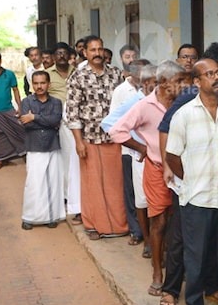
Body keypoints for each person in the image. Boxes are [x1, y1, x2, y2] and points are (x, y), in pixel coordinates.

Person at [157, 43, 218, 305]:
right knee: (195, 257)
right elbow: (172, 157)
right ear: (196, 81)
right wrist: (191, 178)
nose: (217, 77)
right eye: (210, 74)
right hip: (197, 197)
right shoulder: (184, 115)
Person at [108, 61, 186, 281]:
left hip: (181, 170)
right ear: (162, 82)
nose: (182, 86)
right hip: (156, 168)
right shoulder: (144, 106)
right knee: (159, 221)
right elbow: (116, 131)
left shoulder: (181, 103)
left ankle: (175, 267)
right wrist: (141, 147)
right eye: (178, 81)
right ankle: (157, 271)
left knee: (177, 222)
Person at [67, 35, 127, 239]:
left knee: (115, 183)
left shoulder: (116, 74)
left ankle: (119, 225)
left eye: (100, 49)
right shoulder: (78, 76)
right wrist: (78, 142)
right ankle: (94, 225)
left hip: (115, 138)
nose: (97, 53)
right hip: (90, 138)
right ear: (85, 52)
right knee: (93, 183)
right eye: (92, 50)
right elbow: (72, 112)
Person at [106, 59, 155, 246]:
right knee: (133, 192)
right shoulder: (121, 92)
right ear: (132, 74)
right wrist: (136, 143)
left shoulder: (154, 92)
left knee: (151, 195)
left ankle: (152, 235)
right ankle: (137, 232)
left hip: (152, 151)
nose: (146, 78)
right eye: (142, 74)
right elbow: (113, 122)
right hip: (130, 149)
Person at [19, 71, 65, 230]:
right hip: (34, 146)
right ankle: (29, 218)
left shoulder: (56, 102)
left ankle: (51, 217)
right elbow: (26, 124)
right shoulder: (26, 101)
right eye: (36, 83)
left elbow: (55, 120)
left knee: (52, 182)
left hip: (52, 145)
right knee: (33, 183)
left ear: (49, 84)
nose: (39, 86)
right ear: (32, 84)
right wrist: (43, 121)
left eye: (42, 83)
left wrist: (35, 117)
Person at [46, 43, 79, 224]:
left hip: (76, 120)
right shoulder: (48, 74)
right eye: (58, 53)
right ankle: (64, 195)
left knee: (73, 158)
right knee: (61, 159)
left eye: (64, 53)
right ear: (53, 56)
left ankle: (73, 193)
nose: (61, 56)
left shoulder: (78, 72)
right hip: (57, 121)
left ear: (69, 55)